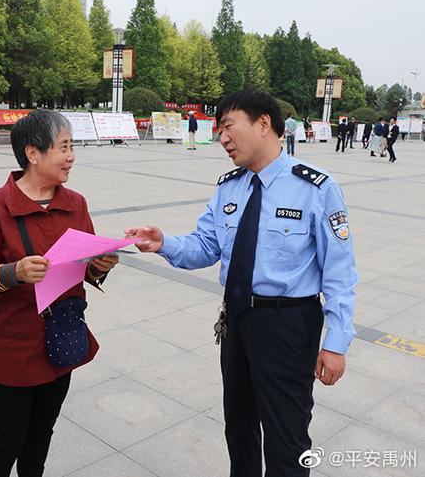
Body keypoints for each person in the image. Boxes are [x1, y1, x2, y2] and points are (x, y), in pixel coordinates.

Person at [125, 89, 357, 477]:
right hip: (237, 322)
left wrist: (336, 343)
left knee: (287, 437)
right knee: (239, 428)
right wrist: (163, 243)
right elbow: (205, 246)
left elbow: (340, 273)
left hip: (288, 326)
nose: (222, 138)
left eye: (229, 126)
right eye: (219, 130)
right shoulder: (229, 187)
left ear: (264, 123)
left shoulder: (316, 188)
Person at [0, 109, 118, 477]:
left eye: (72, 147)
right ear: (33, 153)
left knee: (41, 434)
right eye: (64, 147)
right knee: (6, 436)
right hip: (12, 344)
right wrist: (13, 272)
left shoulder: (75, 203)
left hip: (60, 338)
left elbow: (83, 265)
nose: (71, 157)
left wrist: (100, 265)